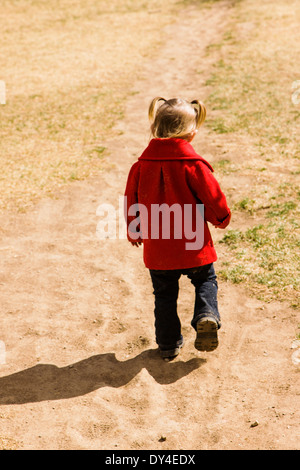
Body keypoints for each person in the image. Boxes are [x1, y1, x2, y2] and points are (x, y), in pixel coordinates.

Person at [124, 97, 231, 361]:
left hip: (159, 249)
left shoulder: (140, 166)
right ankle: (206, 315)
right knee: (205, 280)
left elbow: (131, 199)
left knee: (164, 295)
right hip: (194, 245)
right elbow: (213, 197)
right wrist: (221, 218)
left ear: (155, 128)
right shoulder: (193, 165)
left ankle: (168, 344)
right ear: (191, 133)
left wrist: (134, 230)